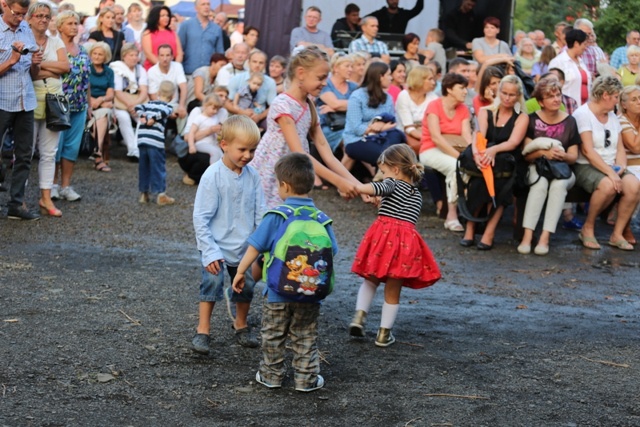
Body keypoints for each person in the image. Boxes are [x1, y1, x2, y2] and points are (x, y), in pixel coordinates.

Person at [231, 152, 336, 392]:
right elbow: (333, 251)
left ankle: (271, 375)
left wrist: (241, 272)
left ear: (284, 186)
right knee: (305, 335)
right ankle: (306, 379)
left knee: (273, 334)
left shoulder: (277, 216)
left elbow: (255, 246)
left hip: (278, 292)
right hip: (310, 293)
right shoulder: (322, 219)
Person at [348, 144, 441, 347]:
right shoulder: (416, 195)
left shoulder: (391, 183)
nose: (382, 175)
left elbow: (375, 188)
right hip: (405, 245)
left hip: (384, 238)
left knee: (370, 279)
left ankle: (359, 316)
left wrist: (358, 187)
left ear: (396, 170)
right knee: (393, 289)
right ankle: (383, 334)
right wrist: (381, 202)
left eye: (383, 171)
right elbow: (401, 213)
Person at [251, 46, 360, 209]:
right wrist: (339, 182)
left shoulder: (309, 106)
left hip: (291, 174)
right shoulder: (283, 105)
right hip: (271, 175)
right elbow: (299, 152)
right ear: (301, 73)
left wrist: (356, 184)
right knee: (268, 221)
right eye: (321, 78)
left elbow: (325, 150)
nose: (325, 83)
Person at [191, 115, 265, 355]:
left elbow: (260, 213)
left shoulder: (253, 176)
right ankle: (203, 329)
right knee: (211, 281)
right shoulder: (213, 176)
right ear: (224, 145)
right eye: (242, 149)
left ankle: (241, 323)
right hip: (216, 245)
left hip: (244, 246)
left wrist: (261, 244)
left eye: (252, 150)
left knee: (247, 284)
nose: (248, 155)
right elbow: (201, 216)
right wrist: (209, 251)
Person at [460, 75, 529, 250]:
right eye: (504, 93)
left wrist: (493, 150)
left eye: (512, 95)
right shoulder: (486, 111)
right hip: (485, 156)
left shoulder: (521, 117)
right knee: (478, 181)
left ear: (518, 95)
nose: (507, 98)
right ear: (498, 92)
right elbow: (479, 135)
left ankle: (489, 231)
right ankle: (470, 227)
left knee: (502, 185)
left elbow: (513, 142)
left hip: (508, 160)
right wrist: (477, 153)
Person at [573, 76, 640, 251]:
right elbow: (587, 151)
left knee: (633, 185)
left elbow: (619, 149)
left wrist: (621, 168)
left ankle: (617, 233)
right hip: (586, 165)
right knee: (608, 186)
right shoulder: (583, 114)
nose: (617, 101)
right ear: (605, 95)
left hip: (612, 165)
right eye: (616, 97)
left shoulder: (612, 116)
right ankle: (588, 227)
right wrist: (611, 173)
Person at [517, 77, 581, 256]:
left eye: (558, 94)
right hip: (537, 168)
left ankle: (545, 237)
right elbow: (527, 155)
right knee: (540, 185)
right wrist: (543, 153)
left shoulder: (570, 121)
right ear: (540, 102)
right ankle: (527, 237)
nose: (556, 99)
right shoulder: (531, 120)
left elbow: (573, 157)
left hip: (563, 170)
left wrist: (562, 155)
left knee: (558, 186)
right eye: (550, 96)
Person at [0, 0, 42, 220]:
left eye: (24, 14)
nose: (20, 18)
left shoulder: (25, 28)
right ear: (4, 5)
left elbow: (33, 74)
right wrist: (12, 59)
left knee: (25, 155)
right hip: (1, 100)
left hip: (25, 99)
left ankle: (16, 204)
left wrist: (35, 63)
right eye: (16, 13)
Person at [28, 1, 69, 218]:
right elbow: (27, 72)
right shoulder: (24, 39)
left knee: (49, 153)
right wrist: (51, 70)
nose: (43, 19)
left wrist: (40, 66)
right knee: (25, 153)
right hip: (28, 100)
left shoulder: (55, 41)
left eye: (46, 15)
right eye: (39, 16)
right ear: (30, 18)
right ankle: (20, 199)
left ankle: (46, 197)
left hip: (53, 101)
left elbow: (65, 67)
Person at [419, 73, 471, 232]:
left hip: (454, 150)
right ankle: (451, 216)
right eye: (461, 88)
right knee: (456, 167)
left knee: (469, 167)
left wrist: (472, 155)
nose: (466, 92)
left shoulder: (463, 109)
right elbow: (436, 137)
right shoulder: (434, 106)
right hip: (430, 149)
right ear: (449, 89)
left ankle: (465, 210)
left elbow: (467, 136)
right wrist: (460, 158)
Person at [52, 10, 89, 204]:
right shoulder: (54, 48)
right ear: (59, 26)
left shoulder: (82, 50)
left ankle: (66, 186)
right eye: (69, 23)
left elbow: (86, 79)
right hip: (59, 104)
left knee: (72, 147)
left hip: (80, 105)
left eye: (76, 23)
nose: (74, 26)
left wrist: (88, 104)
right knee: (55, 147)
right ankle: (53, 185)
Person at [342, 62, 406, 172]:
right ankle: (384, 180)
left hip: (383, 137)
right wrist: (377, 128)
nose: (391, 78)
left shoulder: (388, 98)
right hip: (357, 139)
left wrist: (382, 125)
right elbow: (356, 128)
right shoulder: (357, 96)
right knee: (390, 155)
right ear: (380, 77)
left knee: (396, 136)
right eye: (389, 75)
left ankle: (382, 178)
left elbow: (392, 122)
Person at [135, 80, 176, 206]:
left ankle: (144, 193)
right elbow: (165, 112)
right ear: (172, 96)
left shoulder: (148, 104)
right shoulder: (168, 107)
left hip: (142, 139)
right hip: (155, 142)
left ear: (158, 93)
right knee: (158, 167)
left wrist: (142, 116)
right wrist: (153, 118)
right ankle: (160, 194)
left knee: (144, 167)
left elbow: (137, 107)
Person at [110, 42, 149, 161]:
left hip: (137, 99)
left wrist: (136, 105)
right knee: (124, 117)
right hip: (121, 101)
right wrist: (129, 105)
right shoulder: (117, 68)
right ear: (124, 56)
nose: (134, 58)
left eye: (136, 55)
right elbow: (118, 91)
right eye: (130, 55)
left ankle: (137, 148)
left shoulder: (140, 69)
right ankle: (133, 150)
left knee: (143, 119)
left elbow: (143, 90)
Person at [316, 52, 357, 153]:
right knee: (350, 141)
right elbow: (335, 103)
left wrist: (336, 107)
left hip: (349, 126)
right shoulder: (326, 84)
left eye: (351, 66)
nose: (351, 69)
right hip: (329, 128)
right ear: (335, 68)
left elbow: (362, 106)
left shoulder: (353, 86)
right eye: (347, 66)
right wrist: (338, 106)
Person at [226, 50, 276, 128]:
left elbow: (273, 106)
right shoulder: (236, 79)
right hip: (238, 115)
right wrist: (241, 112)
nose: (257, 65)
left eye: (261, 63)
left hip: (258, 117)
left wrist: (259, 117)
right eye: (254, 62)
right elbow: (227, 103)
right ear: (249, 63)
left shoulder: (270, 82)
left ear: (265, 65)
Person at [396, 65, 438, 154]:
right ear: (419, 80)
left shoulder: (434, 97)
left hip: (427, 134)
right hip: (405, 136)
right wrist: (429, 138)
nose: (433, 83)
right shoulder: (404, 96)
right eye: (430, 79)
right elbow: (408, 127)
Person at [87, 42, 115, 172]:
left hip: (102, 104)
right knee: (102, 114)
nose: (97, 57)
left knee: (103, 113)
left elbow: (110, 93)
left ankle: (97, 153)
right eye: (95, 53)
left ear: (106, 57)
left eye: (100, 54)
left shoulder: (109, 71)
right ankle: (98, 156)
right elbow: (83, 90)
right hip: (87, 103)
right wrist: (94, 101)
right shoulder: (86, 68)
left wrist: (100, 100)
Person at [178, 0, 224, 76]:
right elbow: (179, 49)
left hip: (208, 73)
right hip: (189, 72)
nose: (206, 7)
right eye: (203, 4)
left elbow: (220, 53)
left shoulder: (216, 29)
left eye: (208, 4)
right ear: (196, 8)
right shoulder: (186, 25)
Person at [548, 28, 590, 108]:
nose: (586, 47)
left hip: (584, 107)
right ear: (576, 43)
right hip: (567, 106)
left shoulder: (581, 62)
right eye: (584, 44)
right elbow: (552, 86)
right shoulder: (558, 62)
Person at [147, 44, 187, 122]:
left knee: (183, 113)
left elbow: (183, 87)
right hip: (158, 105)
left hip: (175, 104)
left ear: (172, 57)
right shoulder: (151, 71)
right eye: (162, 55)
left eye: (167, 55)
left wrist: (182, 106)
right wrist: (166, 111)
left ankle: (182, 134)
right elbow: (153, 95)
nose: (165, 59)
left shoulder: (177, 67)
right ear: (158, 57)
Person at [187, 93, 227, 164]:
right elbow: (191, 132)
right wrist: (191, 146)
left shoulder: (215, 118)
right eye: (213, 108)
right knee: (214, 152)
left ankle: (221, 171)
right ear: (205, 105)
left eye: (217, 109)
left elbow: (217, 133)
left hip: (213, 144)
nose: (215, 111)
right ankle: (212, 172)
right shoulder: (199, 118)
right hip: (201, 143)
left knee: (222, 156)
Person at [141, 6, 182, 71]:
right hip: (153, 70)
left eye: (167, 15)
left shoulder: (173, 33)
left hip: (172, 71)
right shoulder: (148, 33)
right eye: (162, 16)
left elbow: (179, 53)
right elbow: (148, 54)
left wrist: (175, 68)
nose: (166, 18)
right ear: (155, 17)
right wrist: (162, 68)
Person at [619, 85, 640, 183]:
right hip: (631, 168)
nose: (639, 102)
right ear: (624, 105)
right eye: (634, 100)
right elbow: (635, 148)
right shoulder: (621, 121)